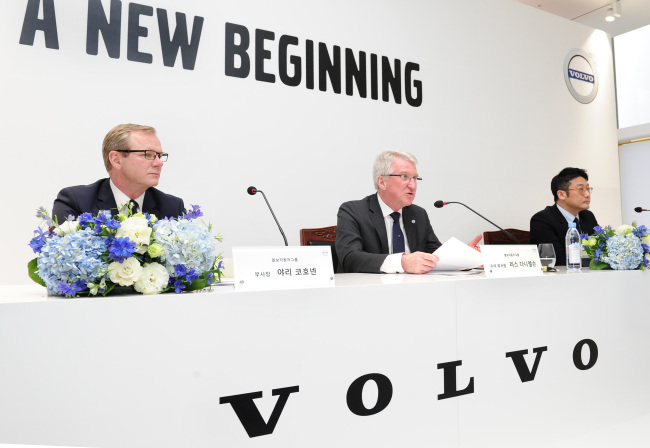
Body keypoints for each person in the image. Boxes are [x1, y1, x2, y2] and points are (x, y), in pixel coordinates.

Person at [335, 150, 481, 274]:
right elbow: (350, 258)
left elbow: (436, 254)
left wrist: (464, 257)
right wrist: (402, 262)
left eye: (415, 178)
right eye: (404, 177)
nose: (413, 185)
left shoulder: (418, 214)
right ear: (382, 182)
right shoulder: (353, 211)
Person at [52, 124, 184, 222]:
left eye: (159, 156)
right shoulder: (75, 202)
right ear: (116, 160)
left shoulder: (172, 208)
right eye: (148, 154)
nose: (159, 163)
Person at [530, 167, 599, 266]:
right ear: (561, 194)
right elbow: (558, 260)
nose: (587, 194)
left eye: (588, 189)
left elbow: (600, 252)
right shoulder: (542, 220)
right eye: (581, 189)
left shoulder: (588, 216)